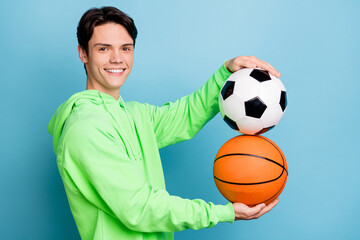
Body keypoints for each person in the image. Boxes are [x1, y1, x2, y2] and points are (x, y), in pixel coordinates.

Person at [48, 6, 281, 240]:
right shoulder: (85, 128)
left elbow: (186, 116)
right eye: (103, 48)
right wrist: (223, 212)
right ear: (83, 53)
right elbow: (138, 208)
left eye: (125, 48)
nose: (117, 58)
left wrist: (226, 72)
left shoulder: (134, 114)